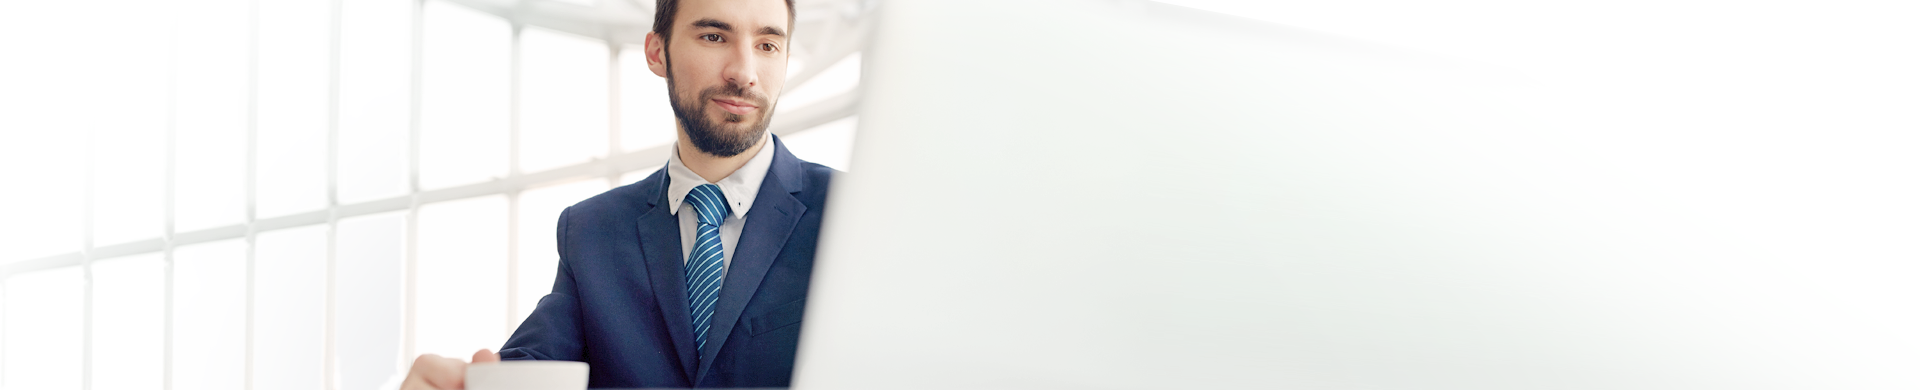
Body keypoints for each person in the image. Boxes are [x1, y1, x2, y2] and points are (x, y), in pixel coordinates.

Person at [401, 0, 829, 388]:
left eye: (768, 45)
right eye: (713, 36)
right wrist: (468, 385)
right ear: (657, 52)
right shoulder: (590, 231)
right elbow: (533, 366)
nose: (744, 71)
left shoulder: (853, 213)